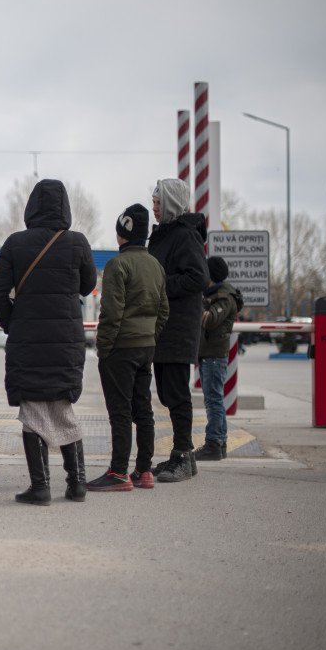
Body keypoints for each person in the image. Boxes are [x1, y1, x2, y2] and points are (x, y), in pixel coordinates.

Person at [0, 179, 97, 506]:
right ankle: (77, 484)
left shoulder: (14, 243)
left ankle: (41, 486)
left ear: (31, 207)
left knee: (32, 409)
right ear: (65, 207)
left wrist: (13, 323)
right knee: (63, 407)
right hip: (67, 340)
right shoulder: (77, 243)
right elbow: (88, 286)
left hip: (28, 339)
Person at [87, 204, 169, 492]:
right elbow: (164, 310)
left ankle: (118, 471)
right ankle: (144, 470)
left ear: (123, 231)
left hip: (120, 349)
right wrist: (150, 337)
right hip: (146, 347)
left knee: (120, 411)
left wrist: (104, 347)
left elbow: (112, 312)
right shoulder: (156, 265)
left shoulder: (117, 265)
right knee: (143, 408)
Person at [147, 178, 209, 483]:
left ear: (170, 203)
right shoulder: (162, 236)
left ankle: (184, 454)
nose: (154, 207)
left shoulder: (185, 236)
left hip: (177, 327)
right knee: (168, 393)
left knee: (176, 394)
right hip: (163, 328)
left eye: (158, 202)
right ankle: (180, 455)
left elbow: (198, 278)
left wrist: (160, 287)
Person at [194, 256, 244, 461]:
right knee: (214, 399)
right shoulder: (214, 294)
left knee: (213, 400)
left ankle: (214, 443)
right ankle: (219, 442)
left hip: (214, 355)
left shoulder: (224, 297)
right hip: (208, 355)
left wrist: (195, 302)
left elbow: (210, 320)